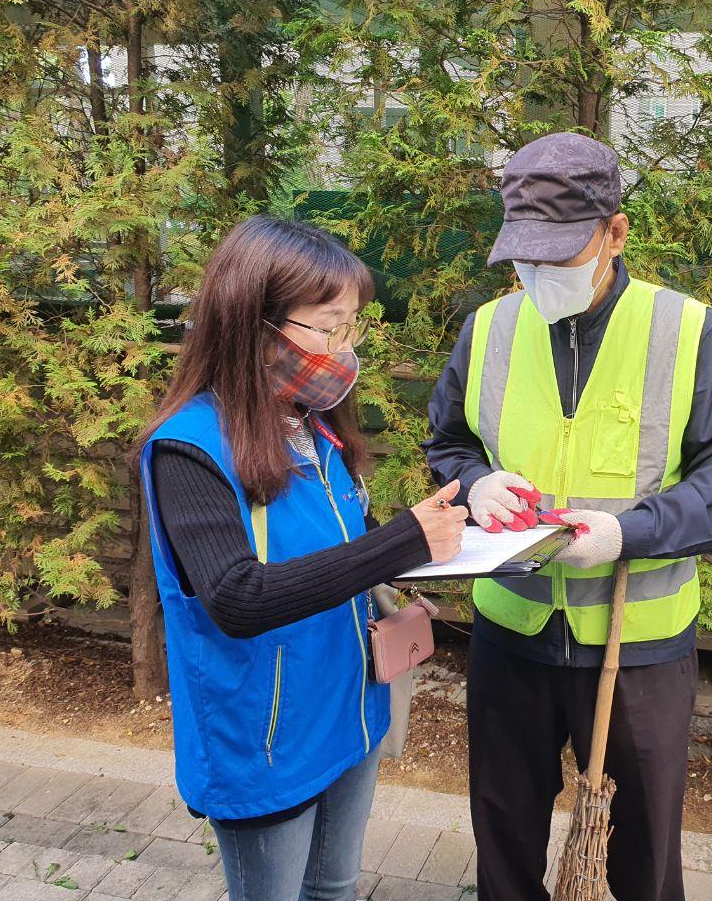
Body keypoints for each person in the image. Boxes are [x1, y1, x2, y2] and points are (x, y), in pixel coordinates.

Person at [424, 133, 712, 901]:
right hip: (511, 631)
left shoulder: (686, 330)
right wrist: (475, 483)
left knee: (644, 853)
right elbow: (448, 441)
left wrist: (626, 535)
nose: (538, 275)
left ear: (615, 232)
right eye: (526, 258)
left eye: (559, 255)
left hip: (638, 642)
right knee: (503, 832)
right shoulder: (488, 329)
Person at [137, 215, 467, 901]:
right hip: (267, 736)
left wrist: (418, 563)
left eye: (352, 326)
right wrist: (402, 540)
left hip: (349, 708)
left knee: (335, 888)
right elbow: (237, 598)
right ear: (254, 325)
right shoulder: (190, 448)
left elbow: (349, 548)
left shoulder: (315, 429)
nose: (345, 348)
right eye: (328, 326)